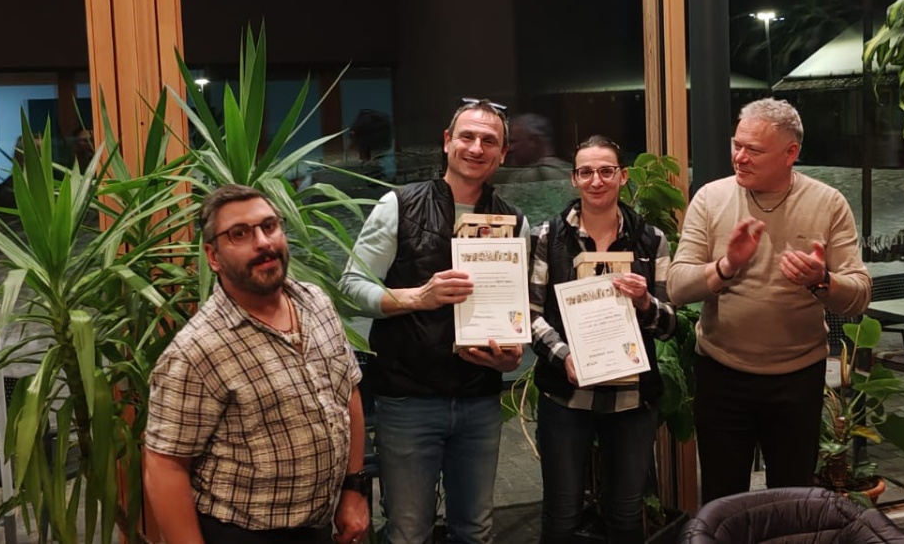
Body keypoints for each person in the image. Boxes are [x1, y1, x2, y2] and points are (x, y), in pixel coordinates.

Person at [339, 98, 528, 544]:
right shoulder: (398, 205)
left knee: (476, 530)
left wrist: (511, 356)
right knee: (408, 532)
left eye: (489, 141)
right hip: (408, 398)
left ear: (503, 154)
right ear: (447, 142)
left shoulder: (512, 222)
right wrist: (417, 297)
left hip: (480, 399)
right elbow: (349, 287)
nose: (476, 148)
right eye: (467, 137)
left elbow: (513, 310)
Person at [668, 98, 870, 502]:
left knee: (791, 502)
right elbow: (676, 287)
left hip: (797, 377)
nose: (739, 157)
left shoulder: (828, 203)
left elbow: (859, 295)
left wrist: (822, 281)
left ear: (790, 153)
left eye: (754, 150)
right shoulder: (710, 198)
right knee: (723, 500)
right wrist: (726, 266)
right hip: (722, 373)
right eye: (736, 144)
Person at [144, 184, 370, 544]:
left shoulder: (316, 303)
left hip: (316, 526)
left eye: (269, 226)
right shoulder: (196, 350)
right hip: (241, 532)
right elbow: (165, 465)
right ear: (213, 256)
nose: (263, 242)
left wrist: (353, 488)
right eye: (239, 234)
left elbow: (348, 392)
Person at [527, 135, 677, 544]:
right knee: (561, 515)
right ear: (574, 179)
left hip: (631, 401)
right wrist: (564, 357)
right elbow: (531, 314)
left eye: (606, 171)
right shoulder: (547, 237)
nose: (597, 180)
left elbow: (668, 325)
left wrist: (645, 302)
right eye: (587, 172)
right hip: (566, 397)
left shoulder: (652, 240)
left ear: (623, 177)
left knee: (626, 515)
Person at [497, 113, 572, 183]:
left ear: (534, 141)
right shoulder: (571, 170)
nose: (510, 149)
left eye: (513, 142)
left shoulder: (527, 177)